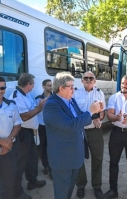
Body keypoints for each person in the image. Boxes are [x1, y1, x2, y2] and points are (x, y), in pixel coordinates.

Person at [43, 71, 104, 199]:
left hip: (74, 156)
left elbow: (80, 114)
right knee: (62, 193)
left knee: (68, 191)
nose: (73, 89)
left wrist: (95, 113)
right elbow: (71, 124)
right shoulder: (52, 105)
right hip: (63, 159)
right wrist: (90, 111)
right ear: (61, 88)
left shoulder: (69, 100)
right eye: (71, 86)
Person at [103, 75, 127, 199]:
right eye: (122, 83)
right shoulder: (114, 97)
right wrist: (117, 118)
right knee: (113, 162)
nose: (124, 85)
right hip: (116, 133)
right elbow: (110, 115)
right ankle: (113, 190)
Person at [9, 73, 46, 199]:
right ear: (29, 84)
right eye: (33, 83)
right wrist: (39, 108)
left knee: (32, 158)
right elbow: (24, 116)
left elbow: (30, 111)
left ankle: (32, 181)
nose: (34, 86)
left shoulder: (26, 94)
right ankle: (16, 192)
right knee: (20, 163)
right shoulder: (17, 96)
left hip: (28, 132)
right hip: (21, 133)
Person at [74, 71, 105, 199]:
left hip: (94, 131)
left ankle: (96, 186)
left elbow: (102, 112)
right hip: (79, 131)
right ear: (81, 80)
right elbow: (75, 112)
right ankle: (80, 186)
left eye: (91, 78)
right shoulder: (75, 93)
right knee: (79, 159)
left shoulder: (99, 93)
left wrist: (99, 118)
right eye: (85, 78)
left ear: (95, 80)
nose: (88, 80)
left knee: (97, 158)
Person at [35, 79, 53, 177]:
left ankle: (52, 167)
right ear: (43, 86)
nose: (50, 87)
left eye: (51, 85)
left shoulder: (55, 98)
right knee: (43, 147)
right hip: (42, 126)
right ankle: (46, 166)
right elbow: (35, 112)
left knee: (52, 147)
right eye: (48, 85)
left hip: (53, 127)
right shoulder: (38, 99)